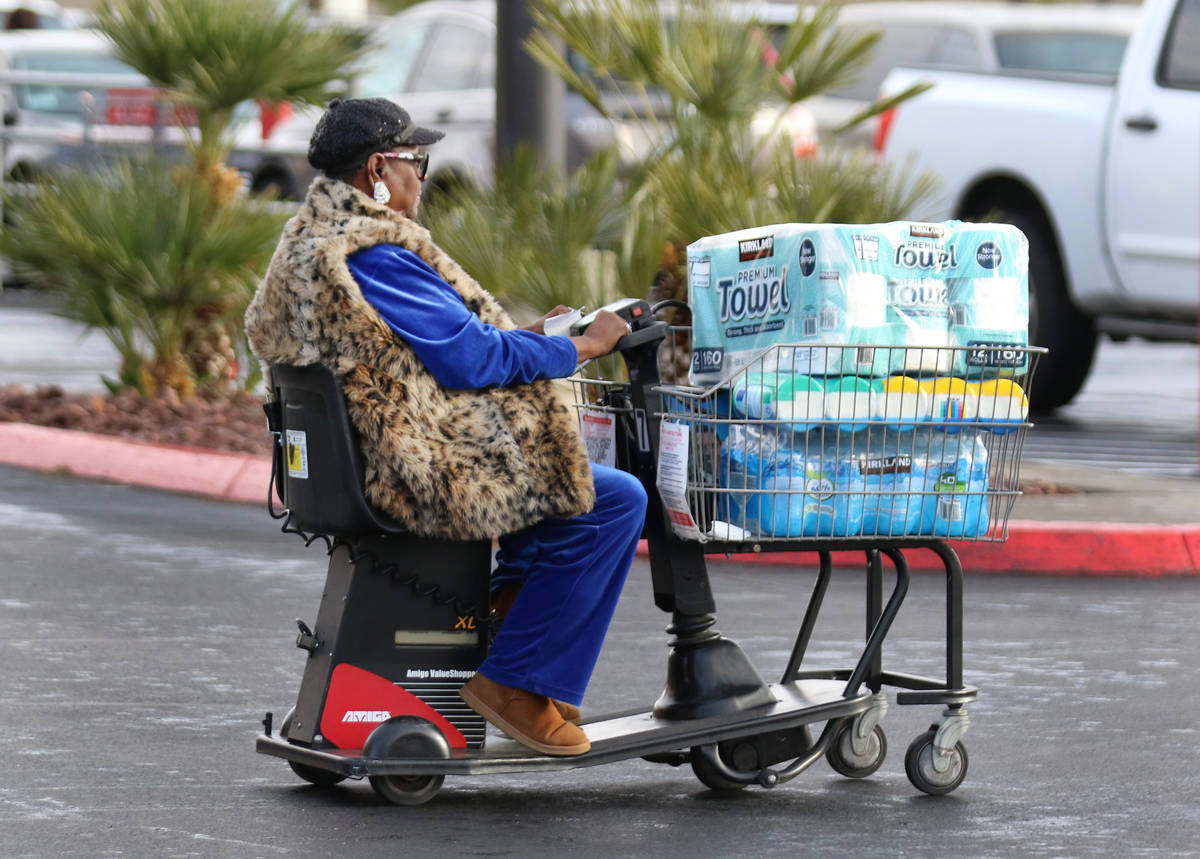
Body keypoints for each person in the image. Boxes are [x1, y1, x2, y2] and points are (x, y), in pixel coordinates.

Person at [244, 98, 647, 757]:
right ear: (378, 167)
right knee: (614, 500)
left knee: (558, 493)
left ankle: (514, 645)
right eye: (416, 163)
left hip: (369, 458)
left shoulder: (313, 241)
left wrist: (534, 337)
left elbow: (443, 347)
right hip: (415, 466)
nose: (422, 178)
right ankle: (517, 683)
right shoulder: (374, 252)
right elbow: (471, 359)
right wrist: (584, 347)